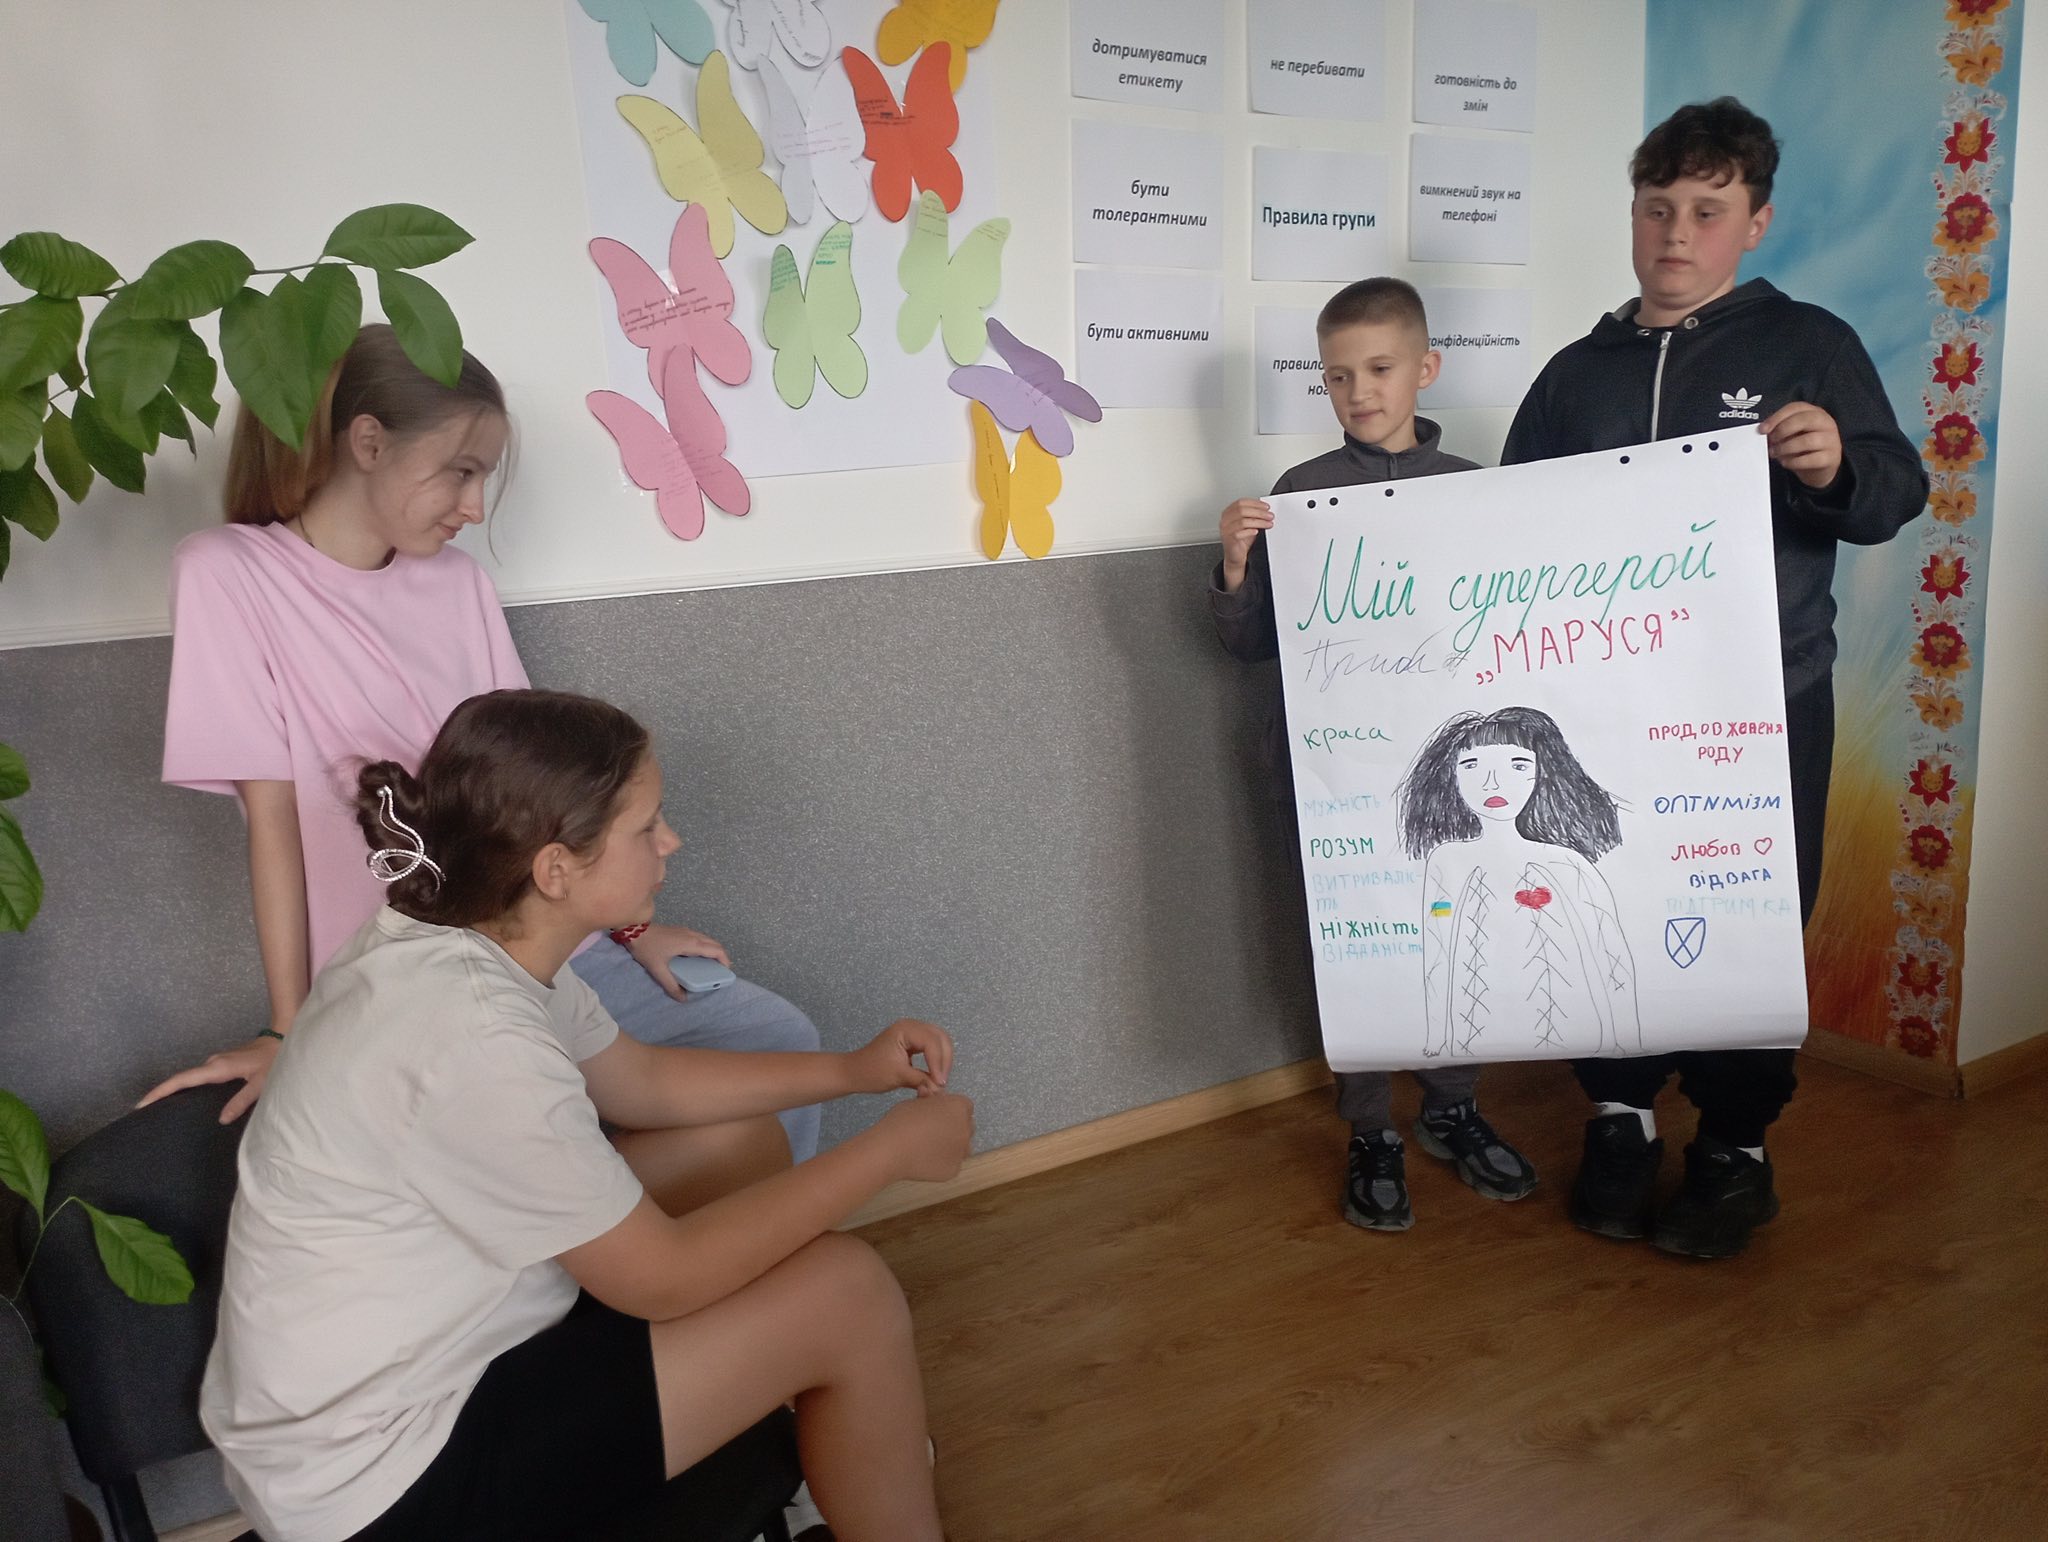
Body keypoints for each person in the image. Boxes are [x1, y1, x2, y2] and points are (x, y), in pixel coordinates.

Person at [200, 688, 972, 1542]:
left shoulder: (468, 934)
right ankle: (833, 1412)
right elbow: (663, 1277)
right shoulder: (473, 1037)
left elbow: (645, 1084)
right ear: (556, 870)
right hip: (380, 1484)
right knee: (846, 1293)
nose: (671, 841)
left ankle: (819, 1419)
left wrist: (852, 1071)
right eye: (647, 827)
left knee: (738, 1147)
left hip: (436, 1343)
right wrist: (888, 1154)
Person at [144, 325, 826, 1161]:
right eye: (460, 473)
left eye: (483, 479)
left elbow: (537, 798)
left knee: (776, 1041)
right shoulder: (226, 572)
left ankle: (667, 1238)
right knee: (548, 1142)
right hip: (412, 986)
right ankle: (621, 1238)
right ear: (369, 443)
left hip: (544, 951)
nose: (473, 508)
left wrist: (626, 927)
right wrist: (287, 1028)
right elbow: (273, 826)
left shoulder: (458, 583)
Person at [1501, 97, 1927, 1259]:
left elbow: (1892, 492)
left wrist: (1834, 466)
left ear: (1755, 221)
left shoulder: (1808, 346)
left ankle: (1734, 1149)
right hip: (1601, 711)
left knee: (1745, 925)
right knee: (1606, 904)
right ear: (1632, 214)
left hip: (1760, 704)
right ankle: (1618, 1117)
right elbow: (1505, 530)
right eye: (1656, 209)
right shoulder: (1575, 373)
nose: (1675, 234)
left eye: (1704, 210)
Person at [1209, 277, 1538, 1233]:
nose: (1359, 391)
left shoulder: (1477, 490)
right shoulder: (1300, 495)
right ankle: (1369, 1127)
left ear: (1425, 369)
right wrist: (1235, 564)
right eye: (1338, 375)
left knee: (1457, 922)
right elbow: (1250, 644)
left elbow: (1510, 630)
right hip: (1336, 776)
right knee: (1355, 940)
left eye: (1380, 369)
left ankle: (1452, 1106)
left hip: (1448, 769)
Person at [1397, 707, 1641, 1062]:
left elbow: (1610, 952)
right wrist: (1437, 1035)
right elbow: (1439, 944)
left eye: (1518, 765)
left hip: (1570, 1022)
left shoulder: (1566, 863)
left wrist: (1629, 1037)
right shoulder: (1446, 863)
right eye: (1471, 766)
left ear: (1543, 773)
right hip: (1476, 1024)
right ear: (1451, 777)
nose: (1492, 783)